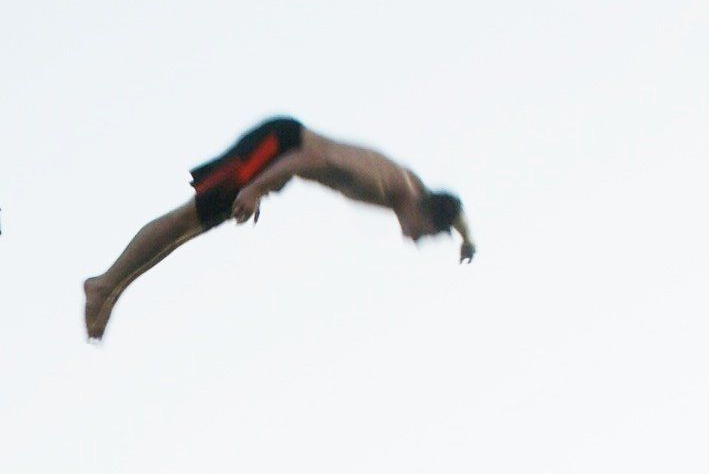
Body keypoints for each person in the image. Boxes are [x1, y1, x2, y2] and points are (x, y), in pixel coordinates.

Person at [81, 117, 474, 340]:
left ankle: (110, 287)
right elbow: (310, 158)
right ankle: (104, 285)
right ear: (425, 212)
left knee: (194, 226)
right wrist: (256, 188)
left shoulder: (419, 192)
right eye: (425, 233)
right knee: (189, 219)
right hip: (280, 147)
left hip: (281, 157)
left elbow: (455, 214)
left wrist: (467, 239)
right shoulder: (381, 183)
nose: (417, 240)